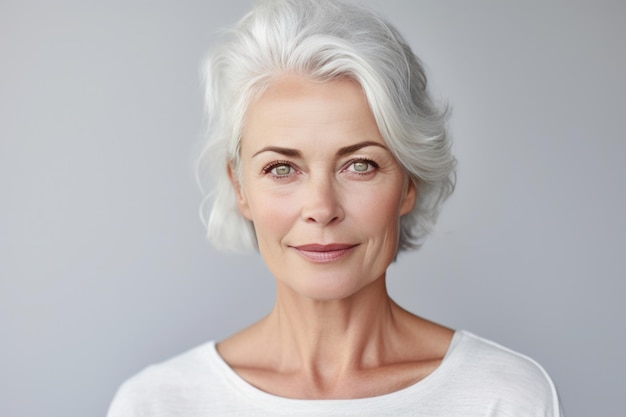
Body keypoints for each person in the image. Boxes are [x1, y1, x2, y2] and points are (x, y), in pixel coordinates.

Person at [108, 0, 563, 415]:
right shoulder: (157, 403)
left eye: (359, 165)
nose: (322, 208)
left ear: (409, 183)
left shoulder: (502, 396)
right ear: (240, 188)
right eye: (282, 168)